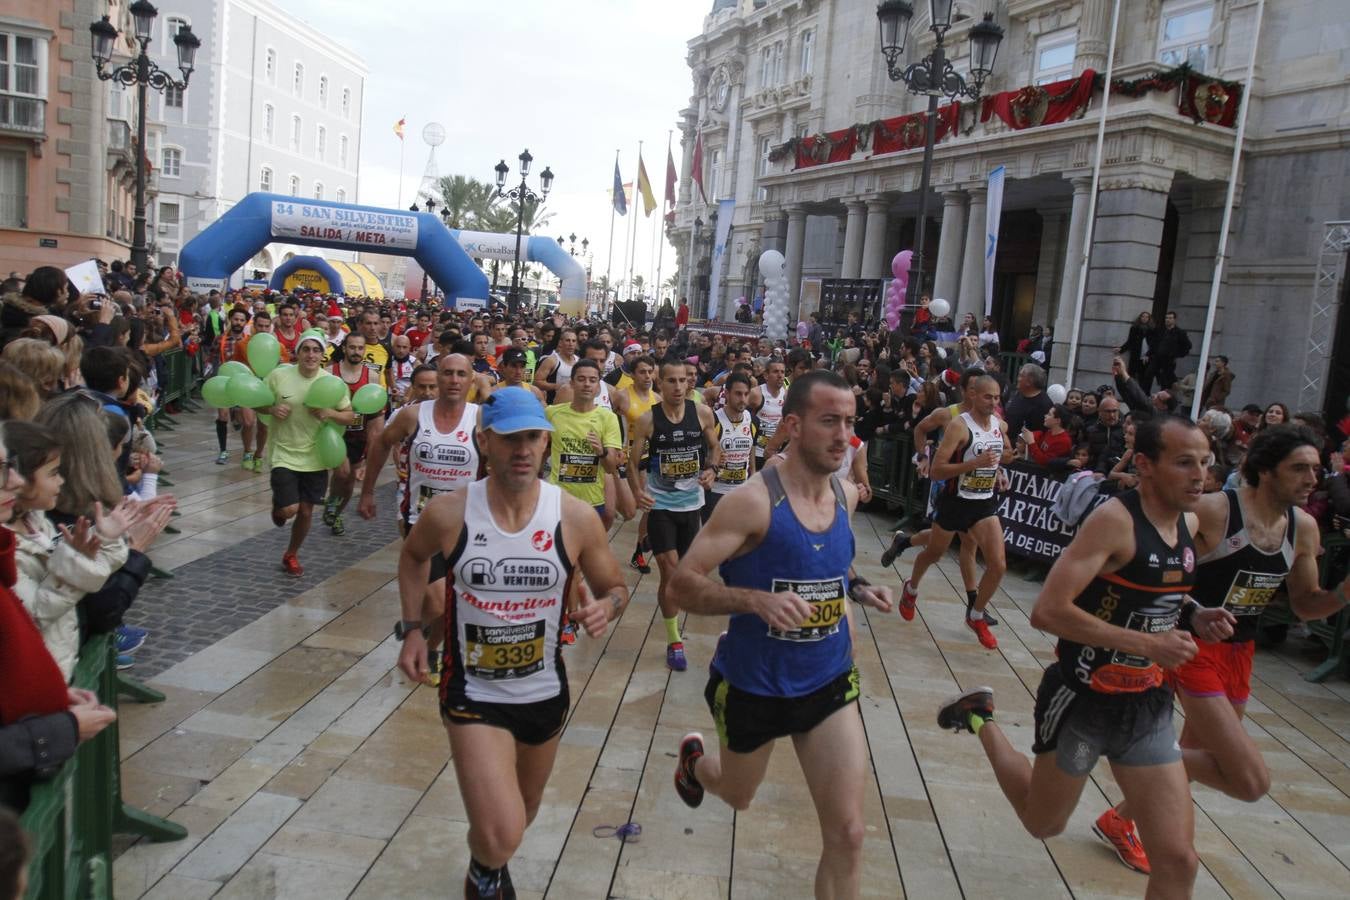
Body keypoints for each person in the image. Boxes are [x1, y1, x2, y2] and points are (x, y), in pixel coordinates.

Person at [936, 415, 1232, 900]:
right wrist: (1150, 645)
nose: (1200, 475)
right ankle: (979, 719)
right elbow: (1047, 611)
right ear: (1145, 465)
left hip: (1146, 704)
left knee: (1179, 860)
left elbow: (1157, 590)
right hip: (1082, 700)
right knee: (1043, 822)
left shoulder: (1189, 522)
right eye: (1184, 463)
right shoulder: (1114, 522)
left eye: (1205, 462)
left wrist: (1194, 612)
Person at [394, 387, 629, 900]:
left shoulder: (575, 517)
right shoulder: (450, 513)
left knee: (523, 810)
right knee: (502, 831)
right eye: (508, 439)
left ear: (546, 443)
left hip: (544, 692)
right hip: (472, 692)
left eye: (532, 437)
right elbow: (413, 558)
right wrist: (413, 629)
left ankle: (487, 865)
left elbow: (617, 588)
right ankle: (486, 871)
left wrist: (604, 608)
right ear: (485, 442)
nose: (521, 449)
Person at [669, 370, 893, 900]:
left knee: (849, 833)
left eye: (850, 422)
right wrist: (753, 600)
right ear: (793, 425)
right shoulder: (751, 502)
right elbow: (682, 585)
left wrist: (858, 589)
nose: (844, 436)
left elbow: (830, 570)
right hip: (755, 684)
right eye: (829, 421)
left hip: (828, 681)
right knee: (740, 795)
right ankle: (697, 765)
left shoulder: (844, 494)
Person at [1099, 424, 1350, 874]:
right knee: (1248, 778)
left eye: (1316, 468)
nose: (1313, 478)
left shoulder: (1304, 528)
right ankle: (1142, 765)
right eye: (1299, 468)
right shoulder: (1215, 511)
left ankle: (1120, 818)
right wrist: (1191, 611)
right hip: (1189, 645)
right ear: (1266, 471)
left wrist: (1344, 593)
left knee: (1196, 758)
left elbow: (1307, 605)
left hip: (1239, 652)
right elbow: (1159, 566)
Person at [360, 352, 480, 683]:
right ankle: (417, 630)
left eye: (461, 374)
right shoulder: (412, 416)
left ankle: (425, 642)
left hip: (467, 525)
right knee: (441, 599)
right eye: (447, 373)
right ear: (436, 377)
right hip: (420, 521)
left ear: (471, 380)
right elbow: (382, 444)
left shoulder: (481, 419)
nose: (454, 380)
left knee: (453, 603)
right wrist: (368, 491)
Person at [899, 375, 1010, 649]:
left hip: (984, 502)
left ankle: (976, 614)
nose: (993, 402)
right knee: (934, 553)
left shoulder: (999, 424)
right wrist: (973, 464)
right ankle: (911, 588)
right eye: (988, 397)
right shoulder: (959, 427)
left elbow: (1003, 453)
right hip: (955, 500)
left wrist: (1003, 466)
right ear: (973, 396)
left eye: (997, 398)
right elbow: (937, 470)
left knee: (998, 565)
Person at [627, 358, 720, 671]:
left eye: (683, 381)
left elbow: (714, 447)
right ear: (659, 382)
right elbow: (632, 460)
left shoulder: (703, 413)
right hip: (661, 505)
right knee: (670, 570)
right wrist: (637, 491)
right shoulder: (647, 420)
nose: (679, 387)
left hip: (691, 505)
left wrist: (712, 469)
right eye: (672, 381)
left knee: (685, 574)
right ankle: (674, 640)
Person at [257, 333, 355, 575]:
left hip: (316, 455)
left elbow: (349, 415)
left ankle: (291, 554)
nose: (311, 355)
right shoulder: (279, 375)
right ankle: (279, 506)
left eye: (316, 350)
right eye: (306, 349)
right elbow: (256, 401)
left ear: (322, 356)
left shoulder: (331, 382)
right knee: (290, 509)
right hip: (283, 451)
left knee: (306, 511)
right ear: (298, 353)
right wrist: (270, 408)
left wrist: (330, 413)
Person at [322, 333, 384, 537]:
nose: (356, 352)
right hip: (335, 434)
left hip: (358, 437)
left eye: (360, 348)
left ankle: (336, 512)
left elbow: (375, 418)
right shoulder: (330, 372)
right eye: (352, 347)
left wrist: (372, 454)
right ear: (344, 348)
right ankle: (332, 502)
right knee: (342, 471)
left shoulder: (372, 376)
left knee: (348, 481)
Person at [704, 372, 758, 521]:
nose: (743, 399)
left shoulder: (753, 420)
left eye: (746, 394)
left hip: (741, 491)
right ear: (726, 394)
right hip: (715, 492)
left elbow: (751, 447)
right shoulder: (714, 420)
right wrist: (711, 463)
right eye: (738, 394)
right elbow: (701, 455)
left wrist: (753, 473)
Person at [749, 359, 787, 471]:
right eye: (776, 372)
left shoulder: (786, 395)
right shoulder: (756, 393)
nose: (780, 375)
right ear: (766, 375)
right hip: (757, 453)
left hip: (775, 454)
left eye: (782, 372)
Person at [1142, 311, 1191, 394]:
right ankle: (1145, 395)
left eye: (1170, 318)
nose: (1167, 320)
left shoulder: (1180, 333)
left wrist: (1177, 355)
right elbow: (1155, 345)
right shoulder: (1161, 331)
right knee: (1148, 374)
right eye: (1166, 318)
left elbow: (1187, 346)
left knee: (1165, 380)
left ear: (1174, 320)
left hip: (1169, 359)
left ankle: (1164, 398)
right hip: (1157, 358)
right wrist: (1147, 354)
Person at [1004, 362, 1052, 437]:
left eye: (1020, 376)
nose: (1018, 379)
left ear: (1030, 381)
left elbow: (1037, 435)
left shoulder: (1043, 405)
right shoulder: (1019, 393)